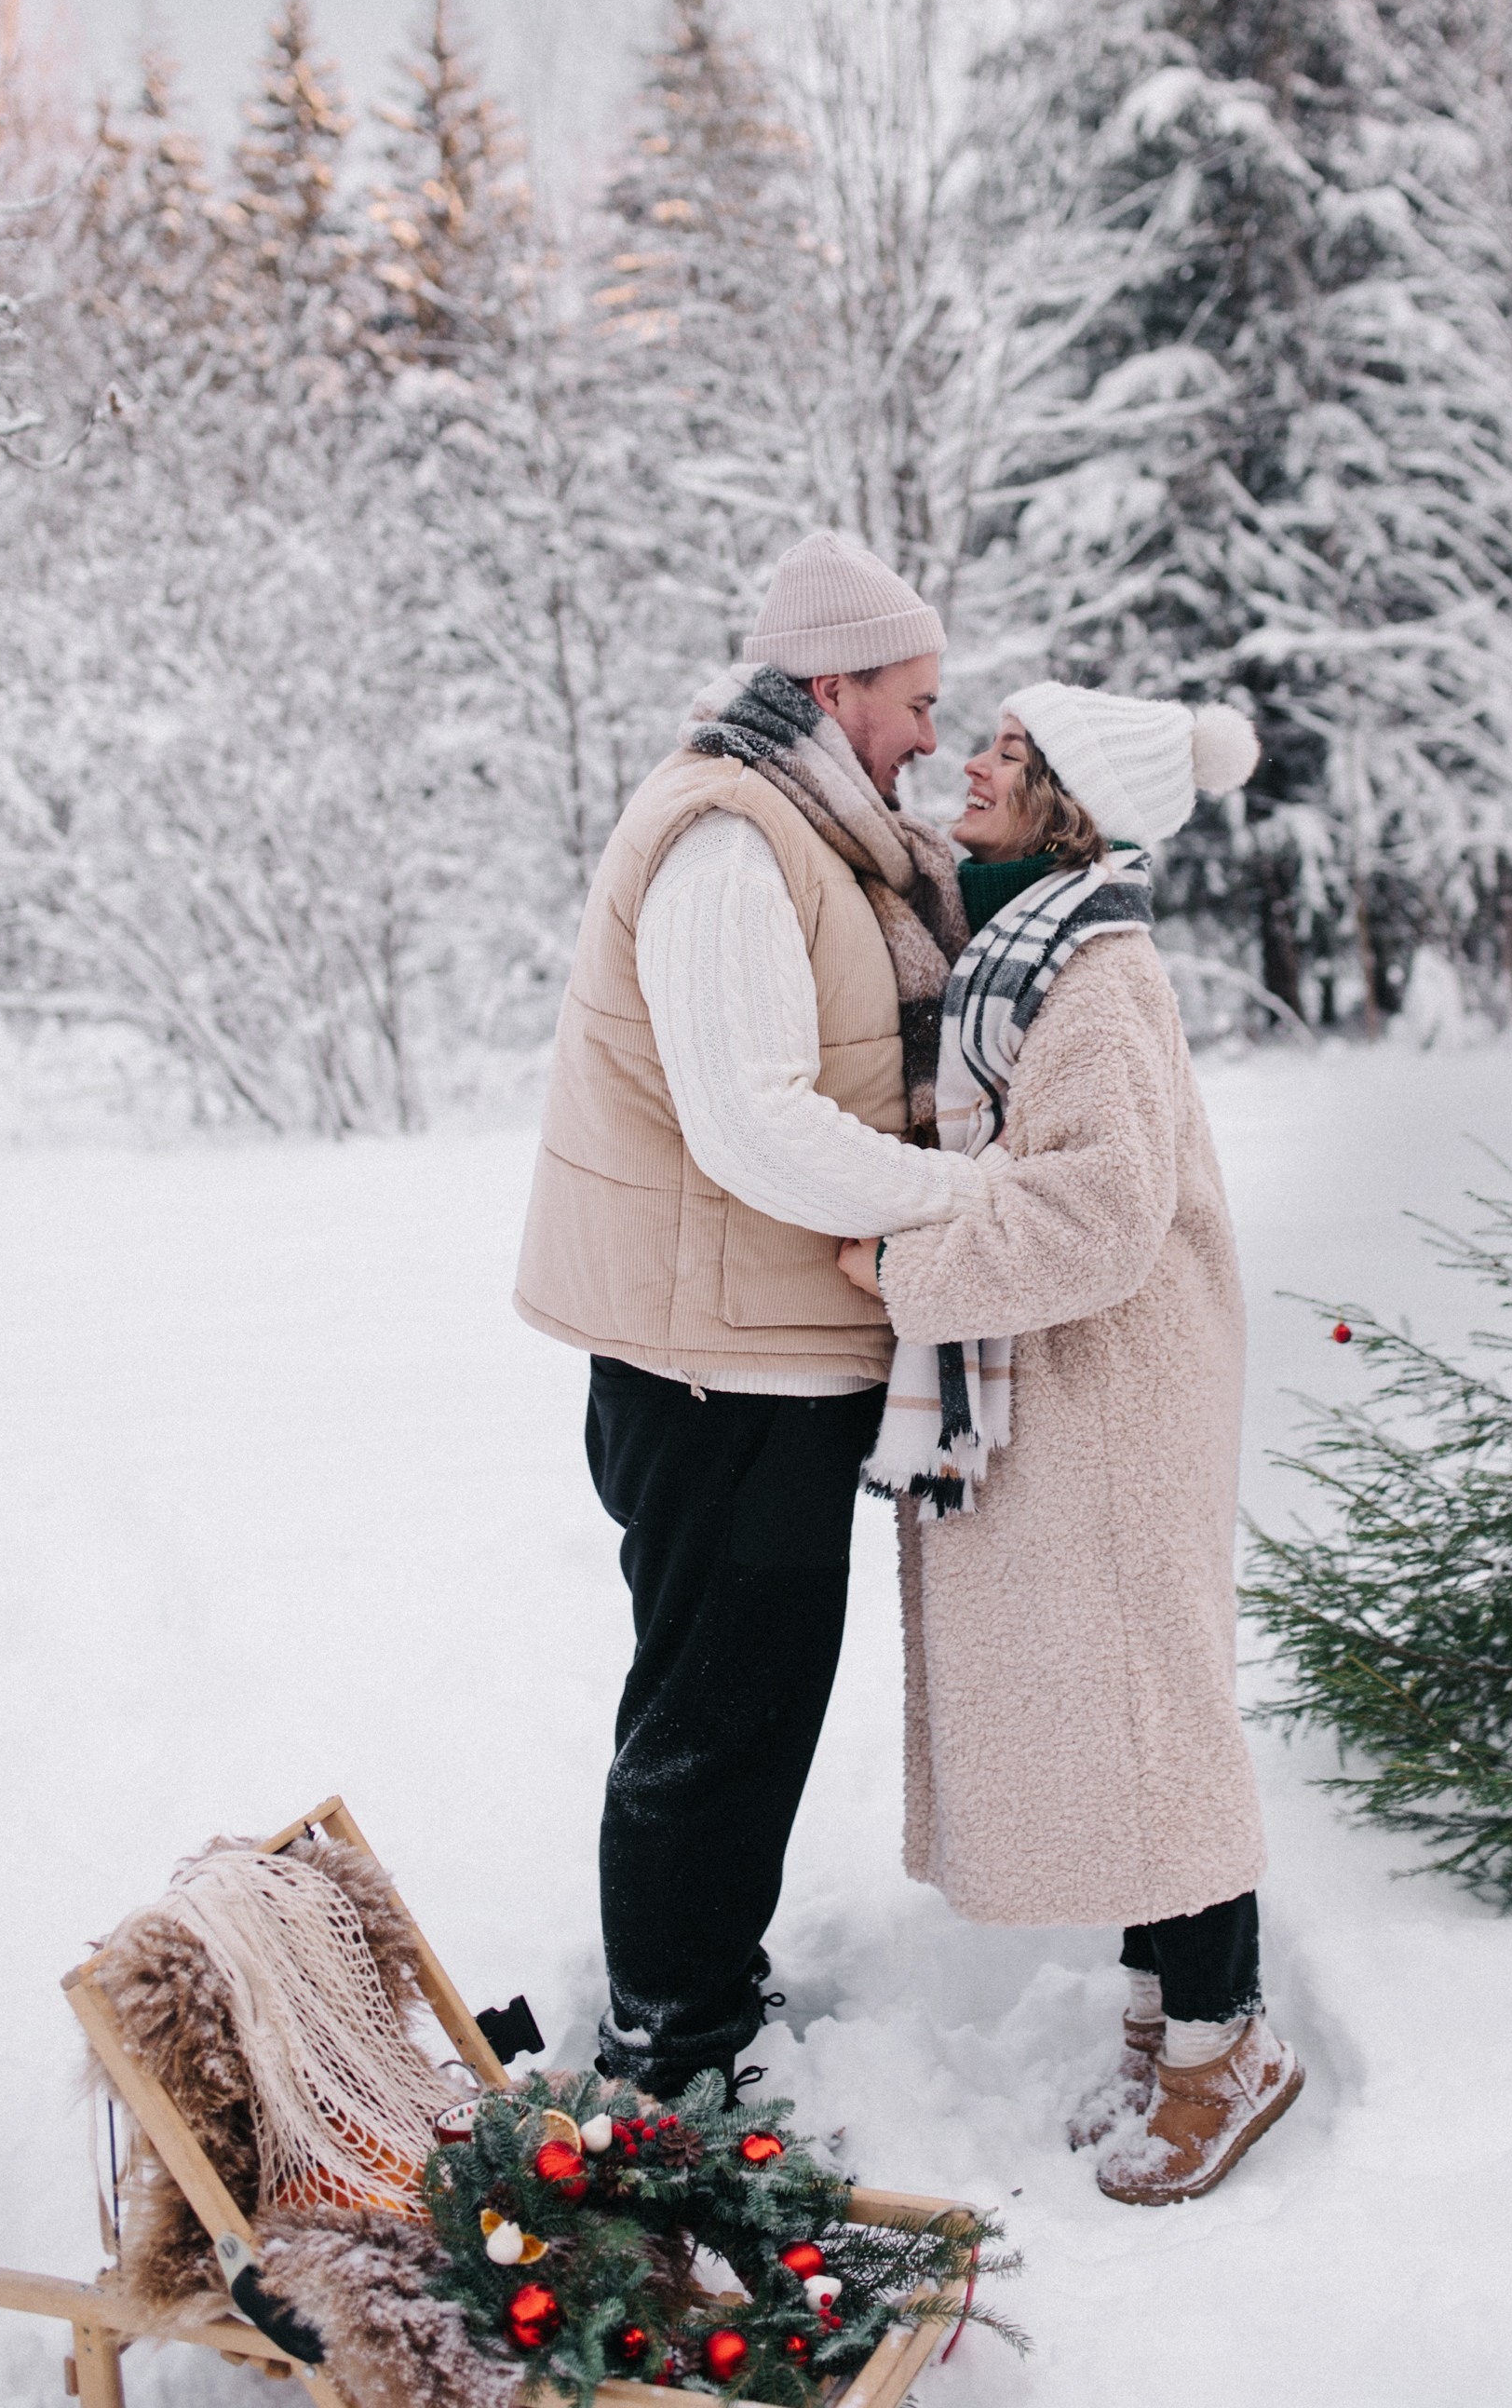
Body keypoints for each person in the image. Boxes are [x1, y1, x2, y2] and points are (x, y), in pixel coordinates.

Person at [513, 531, 995, 2105]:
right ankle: (671, 2043)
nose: (935, 733)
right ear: (832, 684)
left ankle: (700, 1987)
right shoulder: (731, 845)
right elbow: (755, 1126)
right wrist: (974, 1207)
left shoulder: (811, 831)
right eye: (915, 701)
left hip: (757, 1349)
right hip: (717, 1365)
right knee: (717, 1712)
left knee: (747, 1697)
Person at [837, 682, 1303, 2205]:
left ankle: (1226, 2048)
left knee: (1155, 1719)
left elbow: (1098, 1213)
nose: (972, 760)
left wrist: (913, 1269)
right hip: (1081, 1385)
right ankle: (1169, 2020)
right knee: (1126, 1721)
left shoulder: (1094, 977)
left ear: (1073, 809)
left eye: (1013, 757)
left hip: (1119, 1385)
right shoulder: (1024, 951)